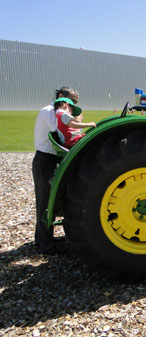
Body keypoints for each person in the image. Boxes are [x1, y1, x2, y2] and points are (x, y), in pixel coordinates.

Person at [32, 87, 79, 254]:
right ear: (60, 97)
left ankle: (41, 239)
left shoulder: (56, 112)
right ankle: (46, 245)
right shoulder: (49, 112)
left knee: (47, 199)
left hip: (50, 159)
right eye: (71, 101)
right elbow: (61, 133)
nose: (73, 105)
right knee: (45, 201)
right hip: (46, 160)